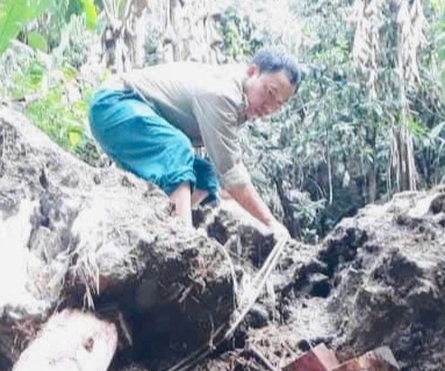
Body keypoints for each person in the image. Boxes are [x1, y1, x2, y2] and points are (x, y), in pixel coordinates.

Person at [88, 48, 300, 237]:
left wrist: (256, 223)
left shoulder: (239, 101)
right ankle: (182, 237)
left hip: (126, 115)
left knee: (205, 176)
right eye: (269, 92)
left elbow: (226, 183)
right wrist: (271, 222)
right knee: (178, 147)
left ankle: (162, 223)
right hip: (113, 103)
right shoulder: (223, 94)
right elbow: (232, 174)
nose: (269, 107)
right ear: (252, 72)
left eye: (278, 104)